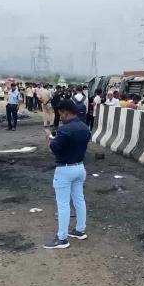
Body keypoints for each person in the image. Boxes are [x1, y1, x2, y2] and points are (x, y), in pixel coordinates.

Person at [44, 99, 91, 249]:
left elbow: (56, 149)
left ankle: (62, 238)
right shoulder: (85, 127)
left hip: (64, 170)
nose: (60, 117)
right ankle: (80, 230)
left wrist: (50, 141)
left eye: (60, 114)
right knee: (79, 200)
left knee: (63, 205)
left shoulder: (64, 130)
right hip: (80, 167)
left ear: (65, 112)